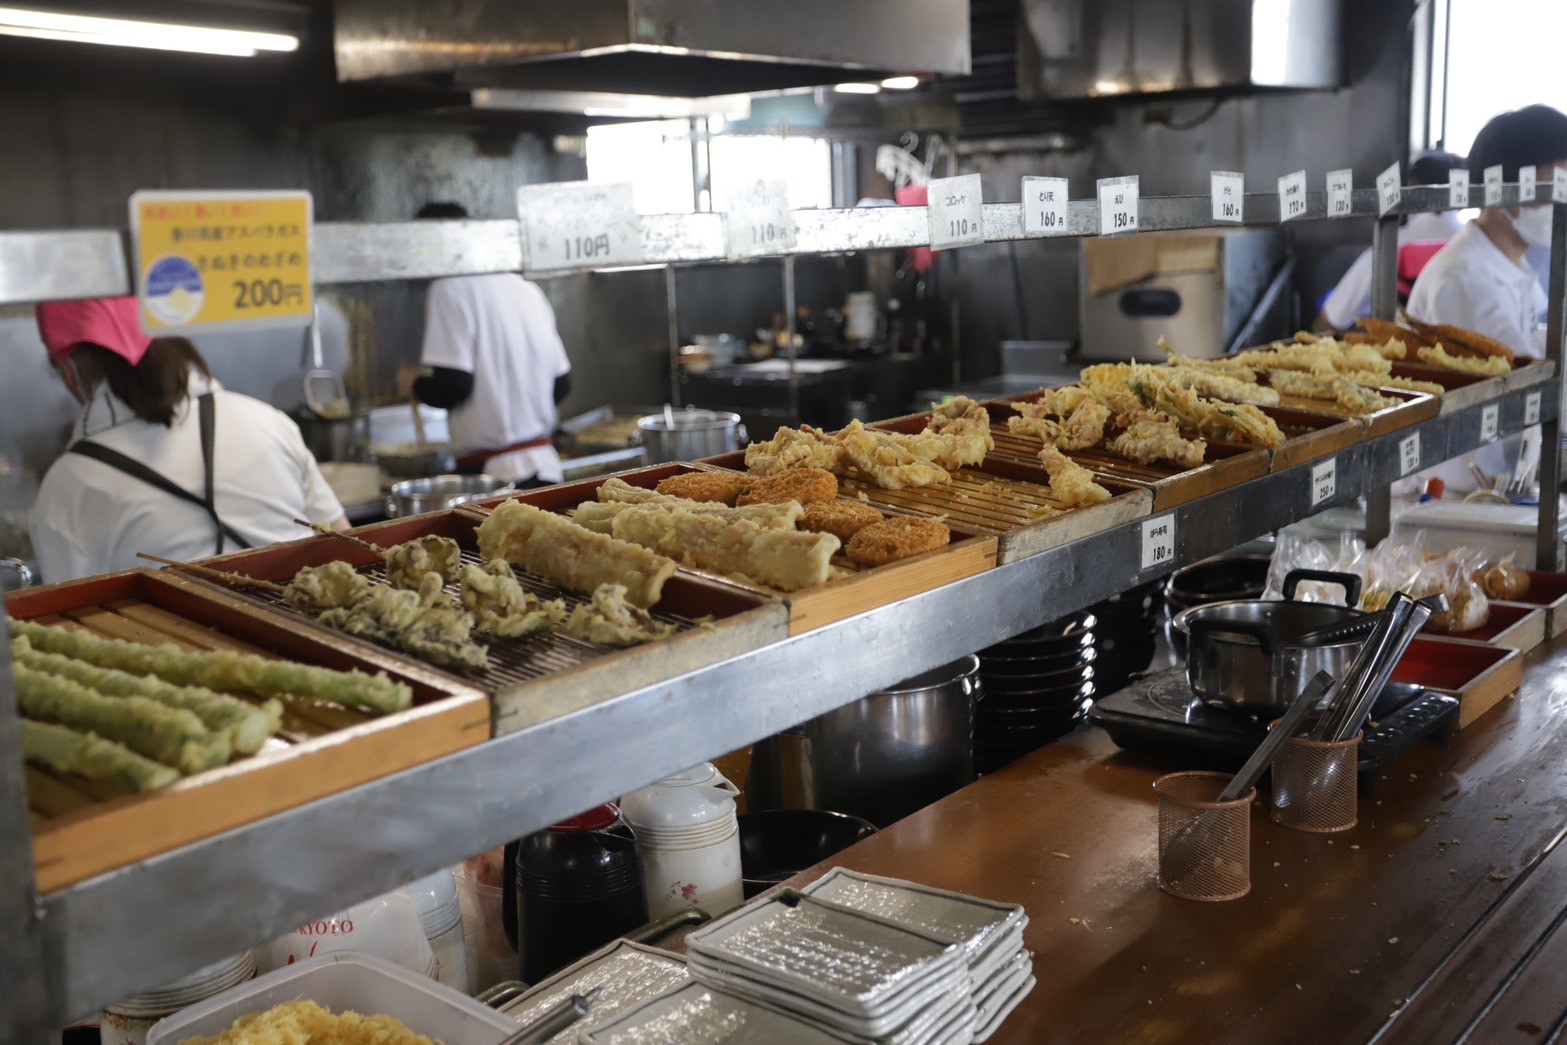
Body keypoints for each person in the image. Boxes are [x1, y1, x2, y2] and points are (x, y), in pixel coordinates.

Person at [29, 296, 348, 583]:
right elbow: (346, 545)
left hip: (170, 633)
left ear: (69, 372)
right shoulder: (267, 421)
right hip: (303, 627)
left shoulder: (68, 484)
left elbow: (70, 611)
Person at [1406, 104, 1567, 493]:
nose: (1561, 202)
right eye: (1556, 186)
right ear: (1511, 189)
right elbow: (1524, 388)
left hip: (1498, 485)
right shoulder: (1463, 279)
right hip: (1452, 497)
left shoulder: (1510, 265)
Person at [398, 202, 573, 488]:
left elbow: (453, 386)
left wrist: (413, 384)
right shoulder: (526, 288)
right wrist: (517, 415)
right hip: (546, 467)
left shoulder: (448, 288)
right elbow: (562, 384)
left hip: (495, 477)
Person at [1316, 150, 1467, 331]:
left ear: (1411, 190)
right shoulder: (1475, 244)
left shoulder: (1390, 245)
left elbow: (1334, 316)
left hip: (1404, 346)